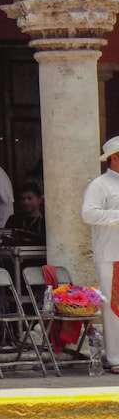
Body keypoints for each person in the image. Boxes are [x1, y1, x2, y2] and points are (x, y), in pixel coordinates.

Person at [80, 135, 119, 375]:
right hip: (112, 253)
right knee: (114, 307)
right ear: (114, 157)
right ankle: (115, 356)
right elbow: (88, 214)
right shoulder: (100, 184)